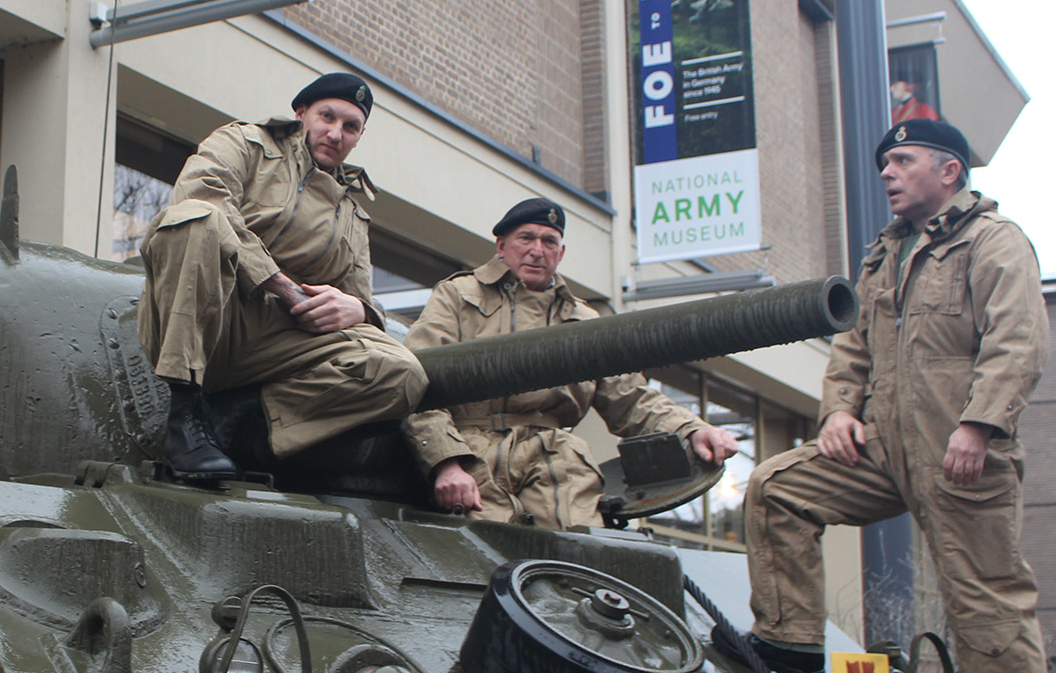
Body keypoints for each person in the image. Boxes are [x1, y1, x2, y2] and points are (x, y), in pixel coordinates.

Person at [727, 119, 1054, 673]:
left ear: (950, 172)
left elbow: (1018, 342)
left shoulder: (993, 242)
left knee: (985, 605)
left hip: (963, 452)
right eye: (884, 163)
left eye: (903, 160)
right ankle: (791, 646)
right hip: (881, 447)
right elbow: (852, 353)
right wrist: (839, 412)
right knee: (779, 485)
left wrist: (979, 423)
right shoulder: (884, 256)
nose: (889, 173)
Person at [138, 72, 427, 481]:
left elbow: (360, 296)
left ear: (359, 137)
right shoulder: (245, 144)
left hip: (278, 349)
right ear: (301, 113)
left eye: (351, 126)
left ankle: (241, 415)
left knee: (401, 372)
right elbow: (201, 195)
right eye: (327, 116)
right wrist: (277, 282)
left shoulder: (353, 212)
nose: (336, 132)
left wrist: (357, 310)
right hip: (209, 315)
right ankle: (183, 416)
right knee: (196, 220)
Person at [401, 197, 739, 529]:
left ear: (560, 254)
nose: (538, 250)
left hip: (554, 455)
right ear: (501, 246)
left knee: (581, 547)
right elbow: (416, 380)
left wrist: (691, 429)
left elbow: (631, 398)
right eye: (526, 238)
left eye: (549, 241)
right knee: (483, 548)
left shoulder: (583, 321)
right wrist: (445, 463)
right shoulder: (458, 297)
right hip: (470, 449)